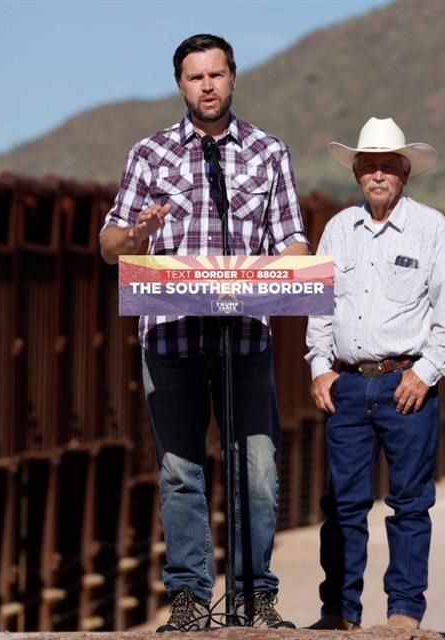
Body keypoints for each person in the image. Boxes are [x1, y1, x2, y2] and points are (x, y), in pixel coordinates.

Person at [99, 34, 308, 631]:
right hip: (169, 340)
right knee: (180, 472)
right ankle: (189, 599)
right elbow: (109, 245)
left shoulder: (268, 154)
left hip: (244, 338)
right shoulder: (150, 155)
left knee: (259, 472)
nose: (208, 86)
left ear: (234, 78)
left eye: (217, 74)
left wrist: (291, 263)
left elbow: (291, 240)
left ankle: (252, 597)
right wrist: (137, 233)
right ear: (180, 85)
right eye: (196, 77)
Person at [304, 117, 445, 630]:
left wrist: (427, 372)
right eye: (368, 166)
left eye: (387, 167)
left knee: (410, 504)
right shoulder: (337, 229)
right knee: (343, 506)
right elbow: (320, 306)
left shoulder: (432, 229)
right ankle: (339, 614)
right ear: (356, 174)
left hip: (406, 384)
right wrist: (318, 367)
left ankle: (403, 613)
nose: (377, 175)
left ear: (404, 173)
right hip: (348, 385)